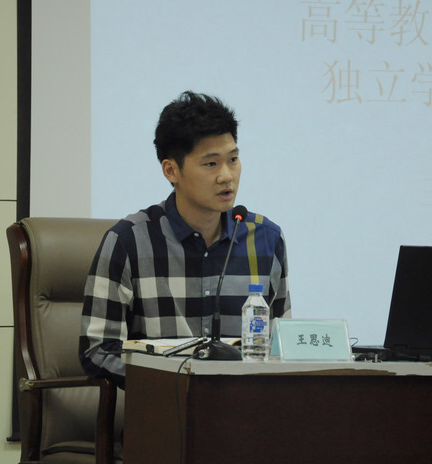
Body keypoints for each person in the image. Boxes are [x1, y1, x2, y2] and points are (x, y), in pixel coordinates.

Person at [79, 91, 291, 388]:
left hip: (246, 406)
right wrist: (175, 384)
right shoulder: (128, 242)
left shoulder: (266, 240)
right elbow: (99, 349)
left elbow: (282, 346)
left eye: (233, 159)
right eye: (211, 164)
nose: (227, 176)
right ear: (171, 170)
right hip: (165, 405)